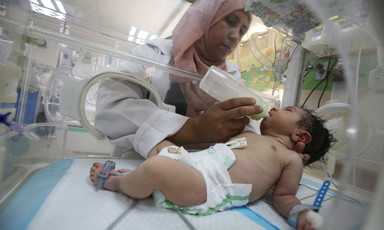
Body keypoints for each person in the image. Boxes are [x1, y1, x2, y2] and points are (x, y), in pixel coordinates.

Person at [89, 106, 336, 230]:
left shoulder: (290, 159)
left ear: (301, 136)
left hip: (209, 185)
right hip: (194, 163)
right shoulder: (251, 132)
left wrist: (300, 215)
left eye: (287, 110)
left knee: (156, 168)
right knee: (164, 149)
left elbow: (284, 197)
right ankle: (138, 177)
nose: (273, 108)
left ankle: (119, 183)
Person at [95, 0, 269, 159]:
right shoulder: (153, 54)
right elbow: (111, 109)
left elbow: (243, 128)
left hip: (201, 173)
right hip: (137, 164)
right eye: (231, 22)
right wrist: (193, 129)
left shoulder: (231, 74)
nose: (235, 37)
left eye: (242, 31)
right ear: (205, 18)